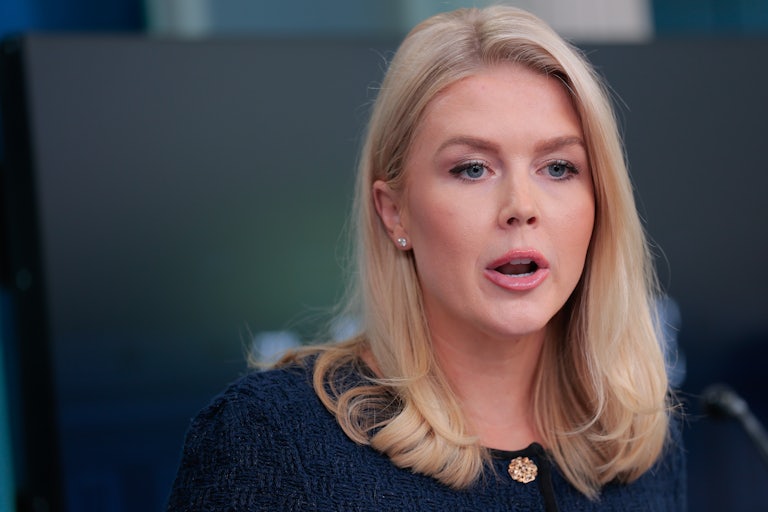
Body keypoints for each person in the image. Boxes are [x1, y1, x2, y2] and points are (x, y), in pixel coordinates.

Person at [166, 5, 686, 511]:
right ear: (395, 214)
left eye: (557, 168)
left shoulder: (636, 446)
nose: (521, 208)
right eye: (473, 169)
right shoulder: (270, 437)